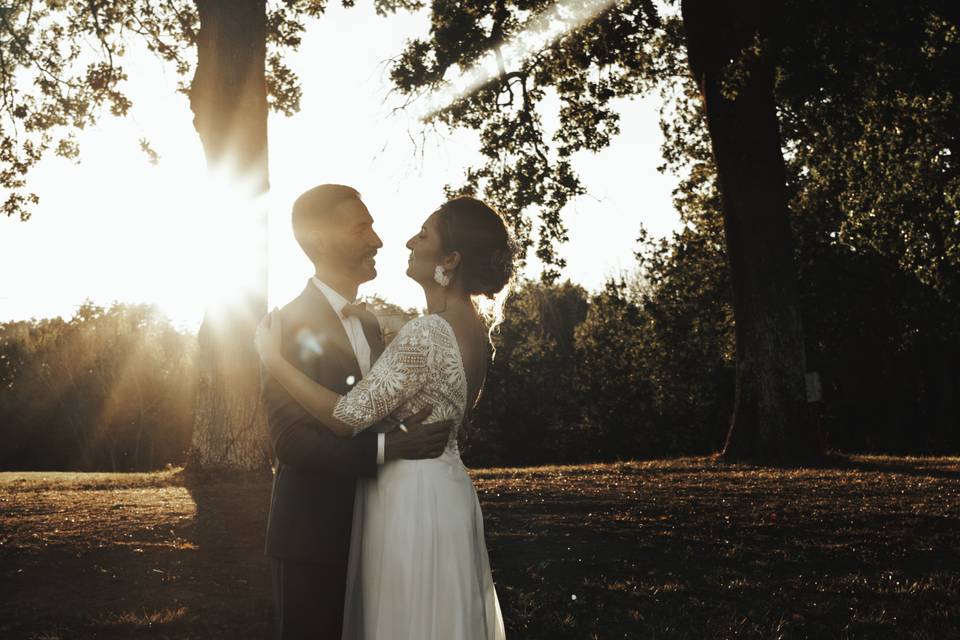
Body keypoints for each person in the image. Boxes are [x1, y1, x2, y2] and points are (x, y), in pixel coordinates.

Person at [256, 195, 511, 639]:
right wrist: (386, 442)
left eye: (424, 234)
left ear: (450, 260)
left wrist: (274, 362)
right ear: (320, 239)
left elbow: (349, 415)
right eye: (362, 228)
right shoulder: (288, 323)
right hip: (320, 531)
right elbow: (291, 442)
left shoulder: (420, 330)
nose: (388, 240)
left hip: (411, 505)